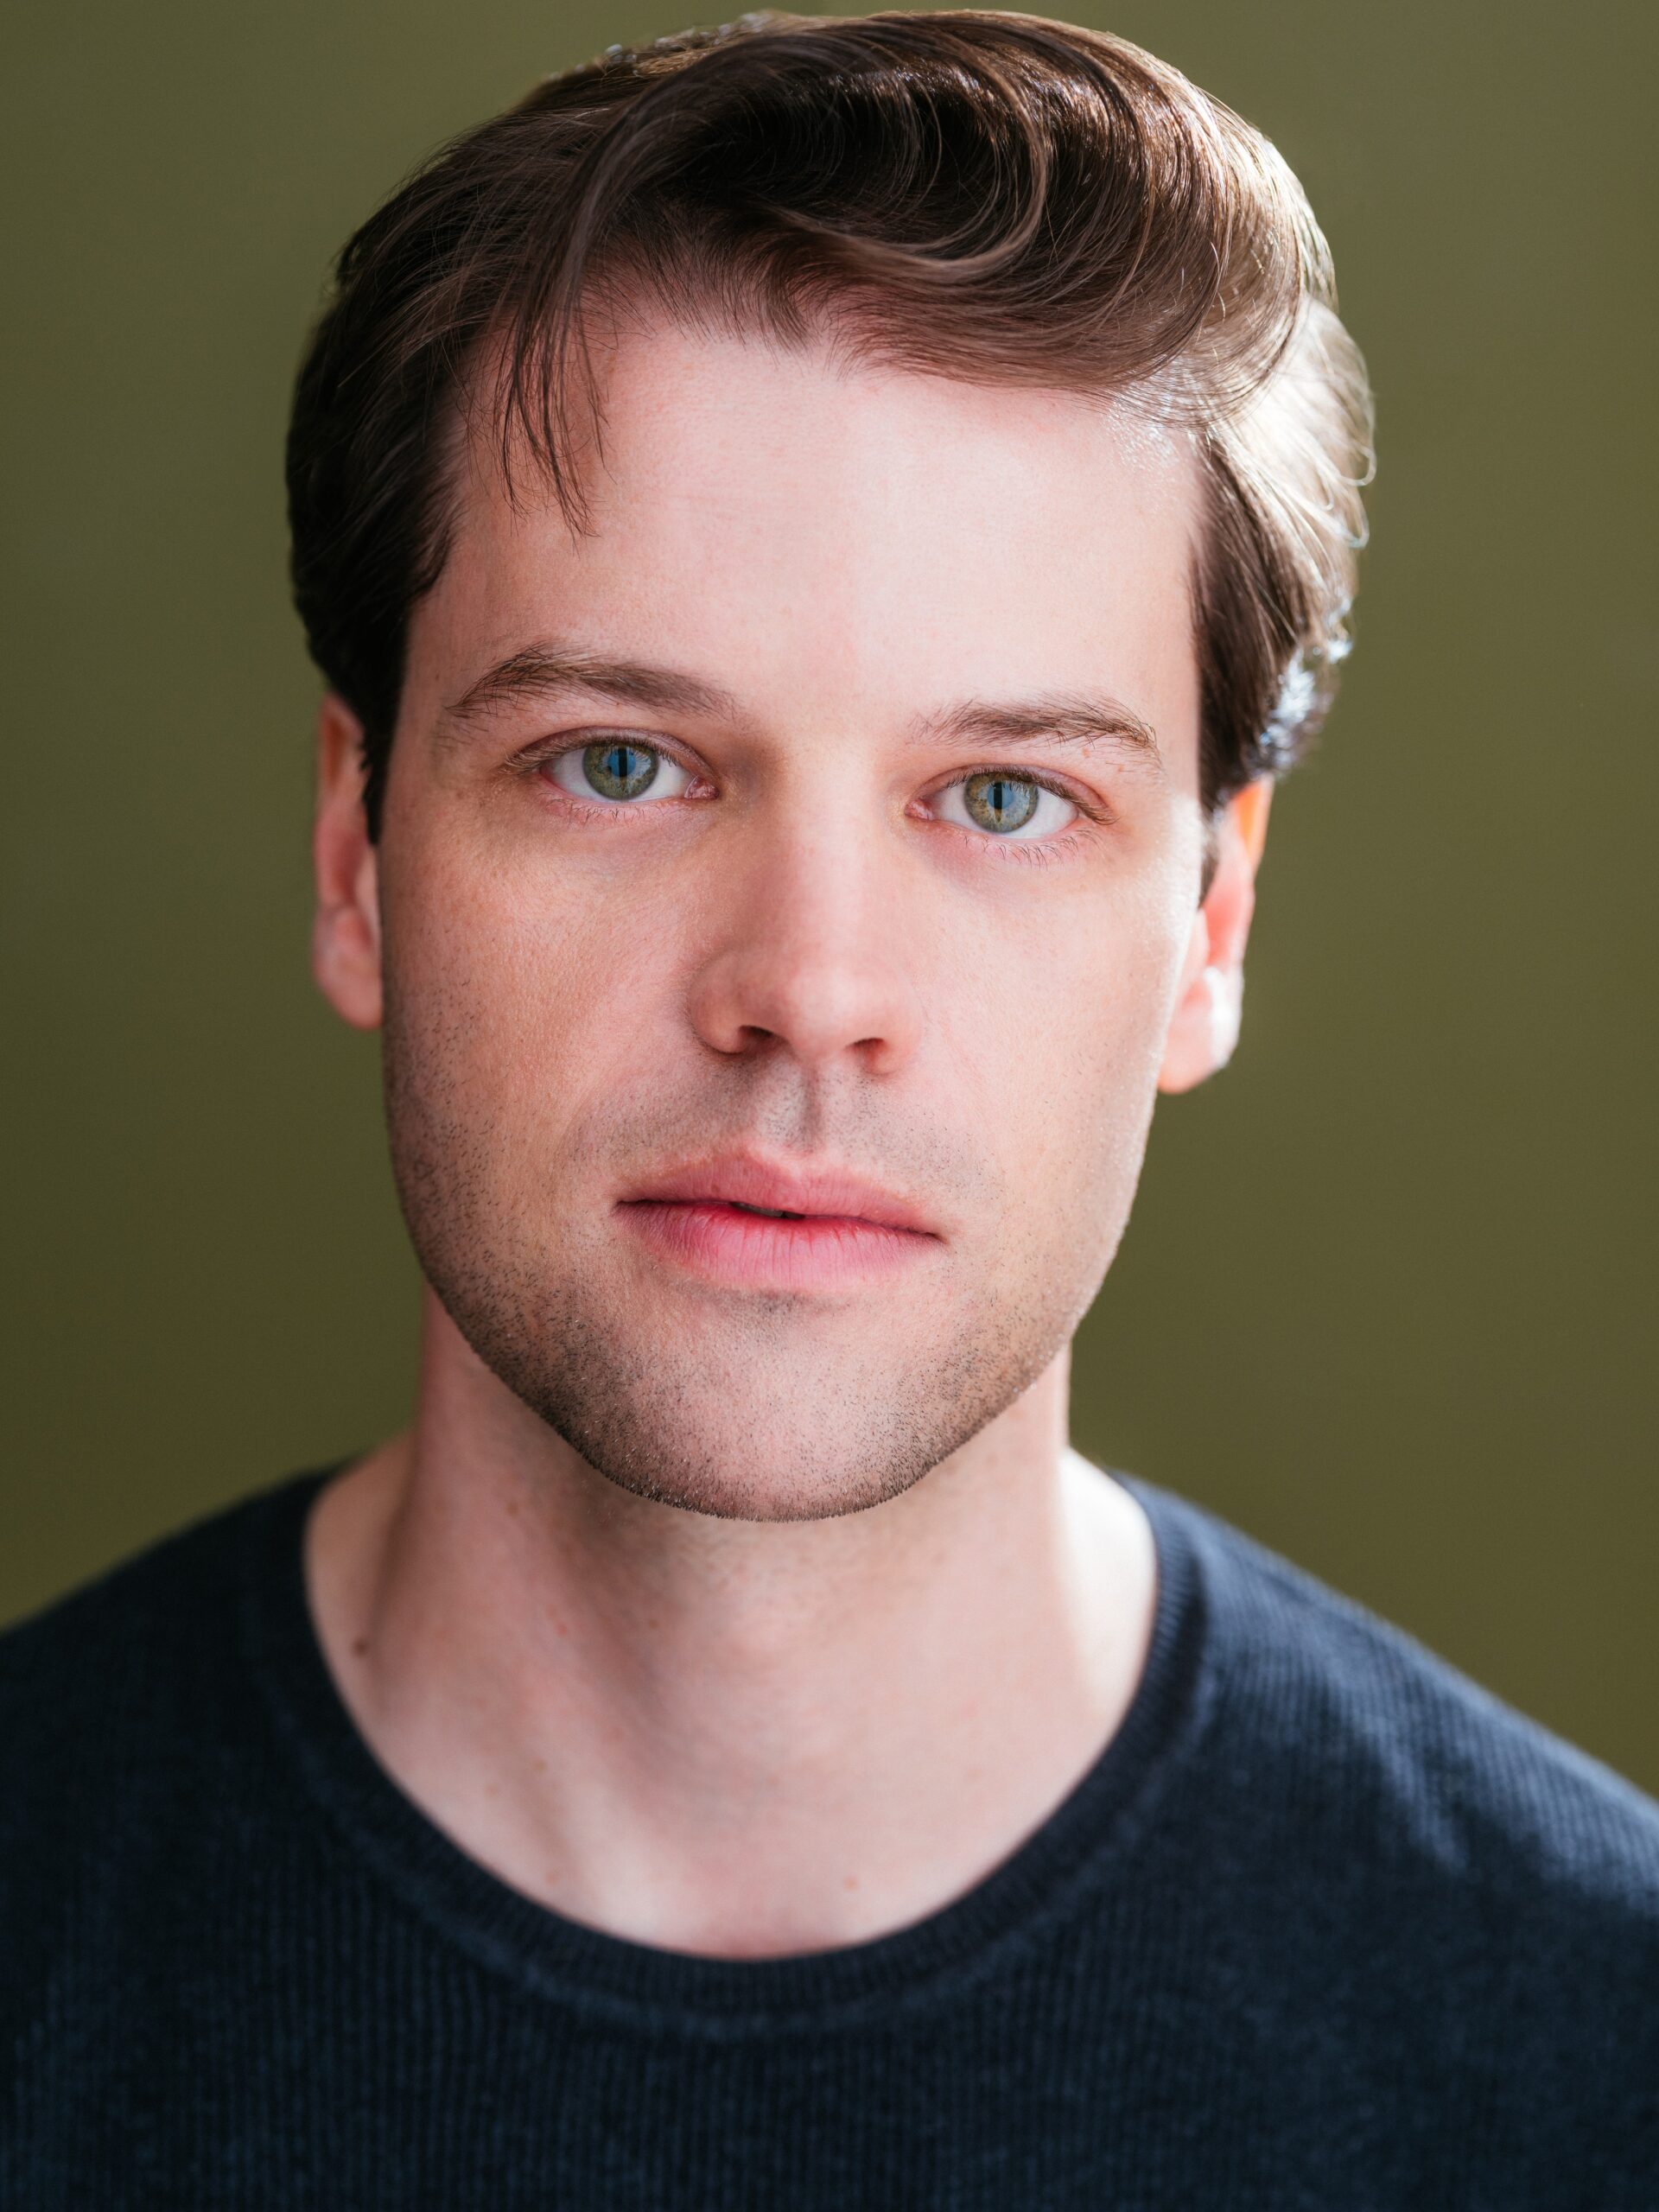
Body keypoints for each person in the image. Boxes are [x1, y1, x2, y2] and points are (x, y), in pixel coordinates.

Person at [3, 10, 1655, 2204]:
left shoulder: (1594, 2057)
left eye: (1001, 794)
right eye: (619, 761)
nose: (807, 993)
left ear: (1210, 925)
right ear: (354, 854)